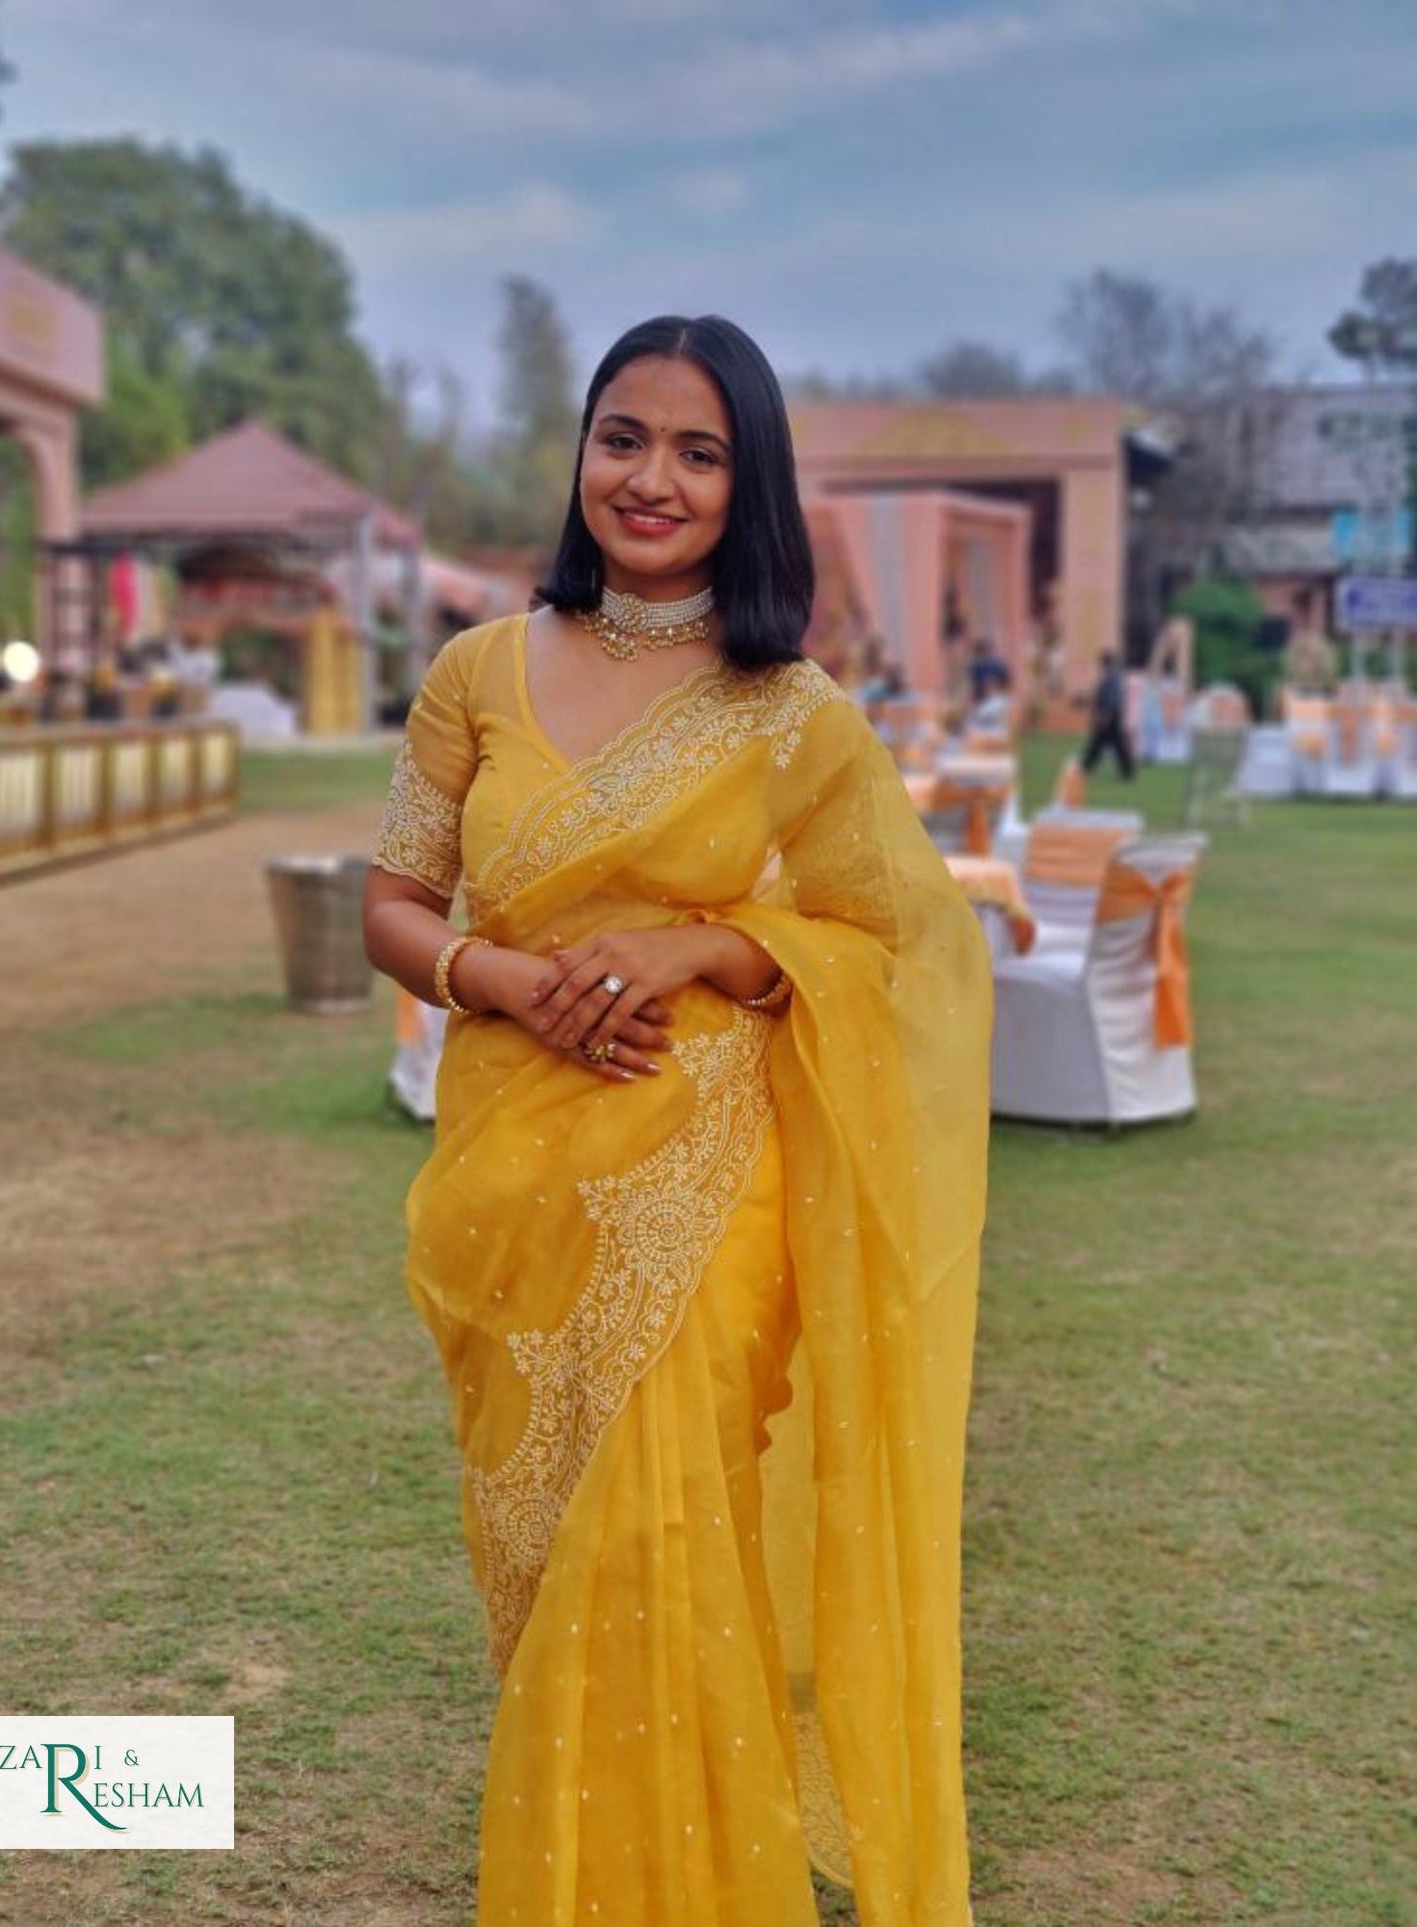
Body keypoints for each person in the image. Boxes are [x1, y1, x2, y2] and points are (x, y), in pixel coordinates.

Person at [363, 314, 991, 1925]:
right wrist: (491, 975)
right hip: (506, 1179)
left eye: (699, 450)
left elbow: (903, 939)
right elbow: (392, 898)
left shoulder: (795, 713)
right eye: (623, 436)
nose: (652, 476)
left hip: (707, 1180)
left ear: (747, 482)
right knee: (550, 1542)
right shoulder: (476, 669)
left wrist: (705, 943)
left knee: (659, 1532)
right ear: (580, 455)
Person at [1081, 648, 1136, 778]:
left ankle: (1086, 767)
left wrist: (1104, 715)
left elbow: (1110, 698)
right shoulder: (1114, 676)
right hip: (1113, 715)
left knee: (1101, 744)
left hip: (1109, 716)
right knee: (1115, 745)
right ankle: (1127, 772)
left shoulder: (1110, 677)